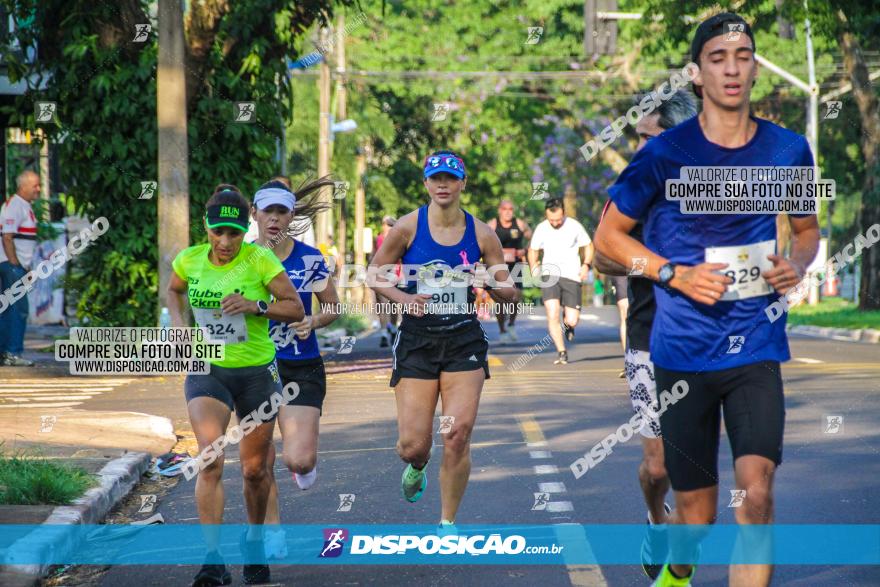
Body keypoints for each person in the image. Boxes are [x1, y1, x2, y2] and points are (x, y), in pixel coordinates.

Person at [594, 13, 819, 587]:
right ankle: (678, 567)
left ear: (755, 67)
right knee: (697, 516)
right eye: (718, 58)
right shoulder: (663, 154)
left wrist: (797, 262)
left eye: (743, 56)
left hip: (756, 347)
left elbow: (808, 229)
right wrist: (673, 273)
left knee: (758, 496)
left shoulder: (790, 150)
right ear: (697, 73)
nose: (732, 68)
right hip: (682, 353)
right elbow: (608, 239)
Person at [367, 150, 518, 528]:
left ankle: (447, 523)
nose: (443, 185)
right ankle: (418, 464)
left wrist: (490, 284)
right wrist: (404, 298)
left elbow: (510, 291)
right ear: (426, 184)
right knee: (412, 445)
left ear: (463, 183)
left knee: (457, 434)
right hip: (418, 340)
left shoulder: (483, 233)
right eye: (436, 179)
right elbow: (374, 275)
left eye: (450, 178)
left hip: (463, 341)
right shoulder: (407, 227)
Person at [167, 184, 305, 586]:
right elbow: (174, 291)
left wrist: (255, 305)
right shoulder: (189, 260)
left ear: (245, 229)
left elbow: (295, 307)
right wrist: (179, 326)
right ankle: (212, 558)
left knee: (254, 470)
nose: (225, 242)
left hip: (257, 373)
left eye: (233, 233)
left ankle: (255, 542)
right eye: (217, 232)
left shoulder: (260, 260)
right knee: (209, 458)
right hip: (208, 368)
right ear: (206, 227)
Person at [592, 88, 698, 579]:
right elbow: (601, 254)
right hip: (647, 335)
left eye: (648, 136)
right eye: (638, 138)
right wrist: (663, 269)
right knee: (657, 469)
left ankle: (680, 565)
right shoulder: (636, 183)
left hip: (708, 340)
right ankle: (657, 520)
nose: (640, 148)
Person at [250, 178, 342, 560]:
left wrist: (314, 322)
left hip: (300, 364)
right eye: (267, 211)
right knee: (260, 460)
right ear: (254, 214)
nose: (273, 219)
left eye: (281, 212)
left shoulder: (310, 258)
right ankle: (272, 531)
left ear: (291, 216)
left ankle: (301, 465)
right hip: (252, 367)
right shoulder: (239, 259)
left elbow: (333, 307)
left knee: (298, 459)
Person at [527, 198, 593, 365]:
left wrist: (586, 265)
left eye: (558, 219)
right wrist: (534, 267)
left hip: (572, 275)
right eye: (551, 220)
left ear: (564, 213)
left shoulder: (574, 226)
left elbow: (589, 245)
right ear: (546, 215)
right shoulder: (542, 228)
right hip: (550, 275)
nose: (555, 223)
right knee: (552, 312)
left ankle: (569, 325)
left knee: (572, 319)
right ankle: (562, 351)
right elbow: (533, 250)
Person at [0, 170, 41, 367]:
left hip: (14, 264)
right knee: (18, 309)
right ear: (23, 186)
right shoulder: (15, 206)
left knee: (8, 308)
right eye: (35, 186)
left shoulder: (23, 206)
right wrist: (16, 265)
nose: (38, 189)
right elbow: (7, 237)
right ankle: (12, 352)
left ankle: (6, 352)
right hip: (11, 265)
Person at [487, 200, 531, 342]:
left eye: (510, 209)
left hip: (515, 266)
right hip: (498, 267)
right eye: (505, 209)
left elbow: (534, 238)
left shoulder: (520, 224)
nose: (508, 211)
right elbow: (482, 240)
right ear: (499, 210)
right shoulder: (492, 225)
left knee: (516, 297)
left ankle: (511, 323)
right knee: (500, 301)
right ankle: (502, 330)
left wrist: (524, 250)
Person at [375, 215, 400, 347]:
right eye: (385, 224)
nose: (386, 227)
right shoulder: (382, 239)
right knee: (386, 304)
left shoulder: (393, 239)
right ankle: (387, 332)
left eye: (388, 225)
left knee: (390, 305)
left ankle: (390, 330)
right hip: (383, 273)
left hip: (389, 273)